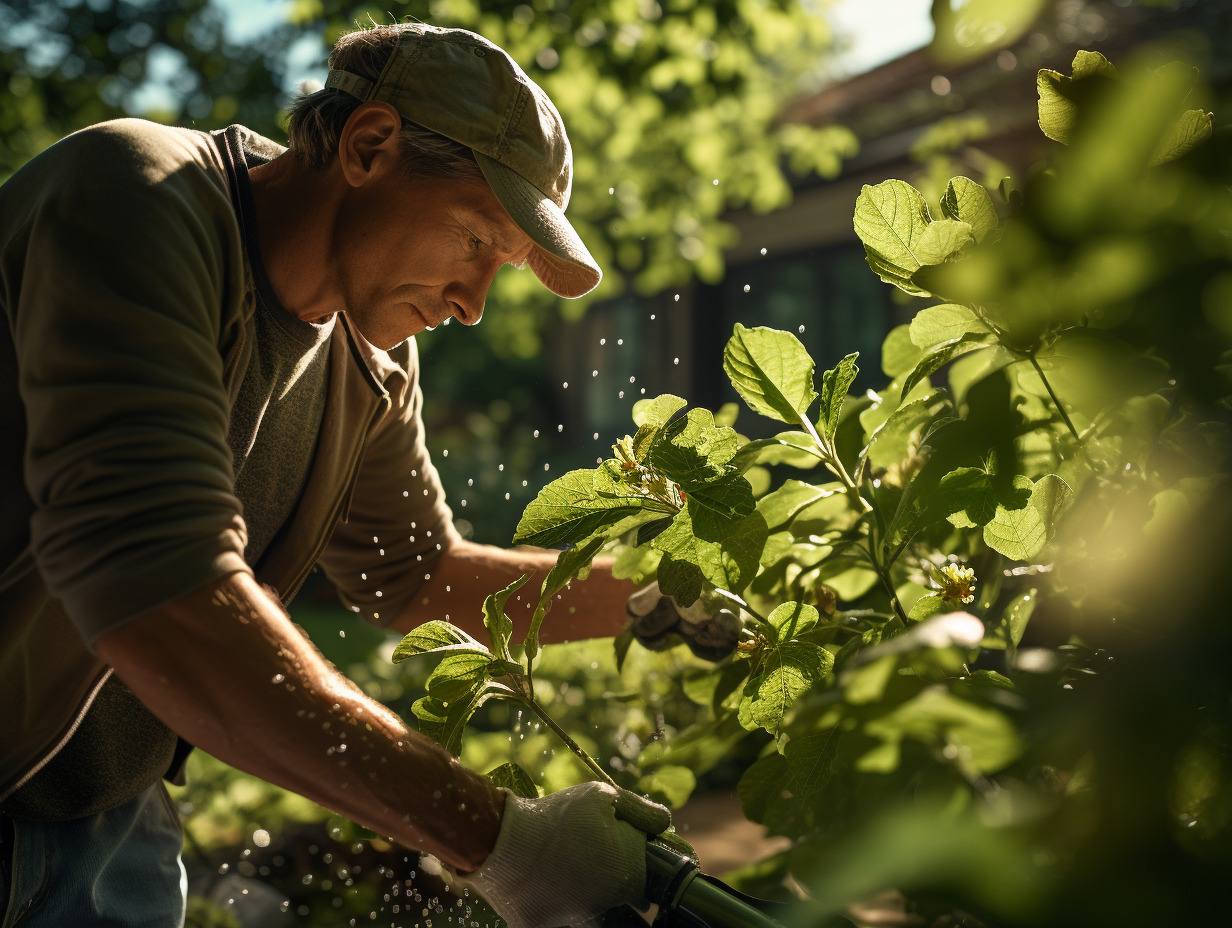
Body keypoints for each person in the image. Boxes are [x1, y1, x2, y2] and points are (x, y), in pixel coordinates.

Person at [0, 22, 690, 928]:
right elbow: (159, 591)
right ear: (369, 147)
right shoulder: (138, 195)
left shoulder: (369, 362)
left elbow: (415, 575)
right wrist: (502, 839)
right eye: (478, 239)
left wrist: (657, 596)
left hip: (112, 816)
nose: (475, 305)